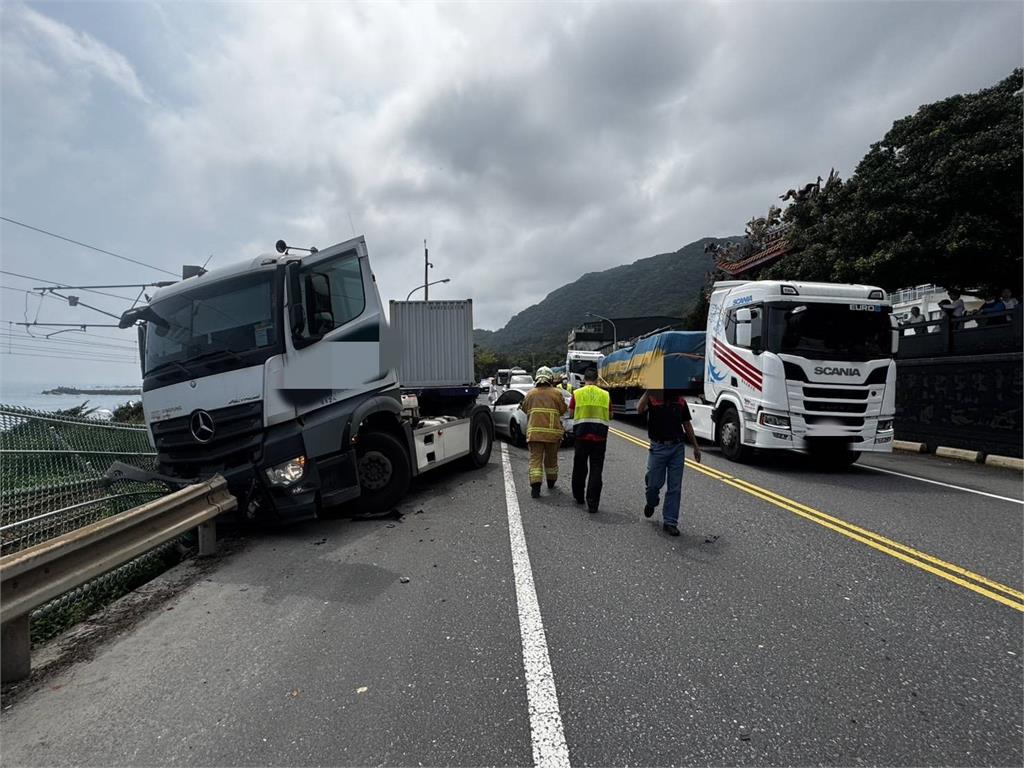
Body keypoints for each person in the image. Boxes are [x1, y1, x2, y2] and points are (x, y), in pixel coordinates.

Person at [637, 389, 701, 537]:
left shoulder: (680, 401)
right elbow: (639, 409)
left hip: (677, 448)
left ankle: (670, 522)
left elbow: (687, 424)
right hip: (658, 447)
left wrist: (696, 447)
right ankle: (651, 502)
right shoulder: (653, 398)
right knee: (653, 484)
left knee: (675, 487)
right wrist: (648, 390)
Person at [520, 366, 568, 498]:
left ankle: (535, 488)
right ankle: (551, 482)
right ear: (550, 378)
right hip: (553, 435)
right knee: (551, 459)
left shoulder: (530, 394)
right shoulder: (556, 393)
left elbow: (524, 409)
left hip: (534, 434)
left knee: (535, 460)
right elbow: (563, 410)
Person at [568, 367, 611, 513]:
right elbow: (610, 415)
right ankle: (593, 503)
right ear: (597, 379)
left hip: (581, 435)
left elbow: (571, 413)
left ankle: (579, 496)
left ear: (584, 379)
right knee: (596, 469)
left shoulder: (577, 393)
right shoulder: (605, 394)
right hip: (600, 437)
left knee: (579, 467)